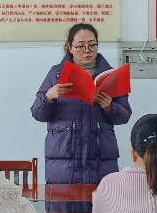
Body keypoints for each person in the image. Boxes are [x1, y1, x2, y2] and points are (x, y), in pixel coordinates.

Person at [31, 23, 132, 185]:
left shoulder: (111, 75)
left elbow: (124, 116)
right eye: (80, 46)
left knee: (102, 201)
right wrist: (49, 97)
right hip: (63, 163)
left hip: (100, 162)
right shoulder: (56, 74)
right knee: (62, 202)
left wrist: (110, 107)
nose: (87, 50)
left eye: (92, 45)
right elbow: (38, 113)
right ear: (69, 47)